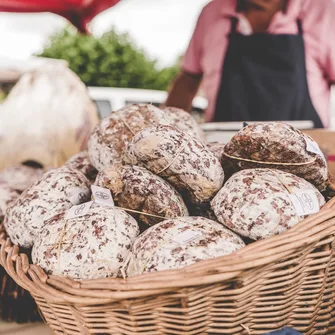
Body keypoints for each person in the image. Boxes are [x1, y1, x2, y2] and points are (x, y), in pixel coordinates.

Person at [165, 0, 335, 128]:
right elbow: (188, 80)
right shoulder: (212, 12)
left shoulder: (324, 11)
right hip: (226, 153)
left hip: (307, 157)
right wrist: (165, 130)